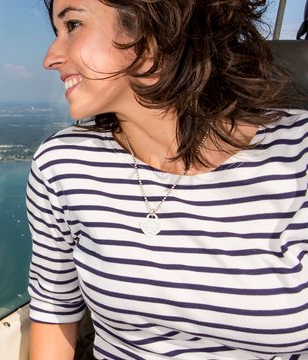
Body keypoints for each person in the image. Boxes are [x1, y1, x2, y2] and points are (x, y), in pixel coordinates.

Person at [26, 0, 308, 359]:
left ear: (153, 30)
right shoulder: (63, 165)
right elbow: (54, 310)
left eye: (74, 25)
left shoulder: (297, 157)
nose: (49, 58)